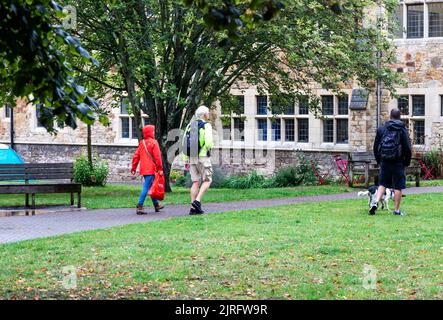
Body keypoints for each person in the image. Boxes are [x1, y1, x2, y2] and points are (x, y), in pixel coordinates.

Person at [371, 108, 412, 216]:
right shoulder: (402, 129)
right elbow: (407, 147)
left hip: (384, 160)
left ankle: (375, 203)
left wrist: (379, 160)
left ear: (390, 116)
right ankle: (397, 210)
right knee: (398, 185)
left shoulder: (382, 128)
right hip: (398, 161)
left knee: (382, 183)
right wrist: (407, 161)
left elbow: (375, 147)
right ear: (399, 117)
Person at [182, 106, 214, 215]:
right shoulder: (206, 125)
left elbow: (184, 143)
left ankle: (193, 208)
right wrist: (208, 149)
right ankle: (197, 201)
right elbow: (209, 143)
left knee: (195, 182)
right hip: (202, 157)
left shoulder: (190, 126)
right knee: (207, 180)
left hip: (191, 157)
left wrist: (185, 159)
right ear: (204, 115)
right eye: (208, 113)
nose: (209, 115)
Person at [131, 125, 164, 215]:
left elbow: (136, 156)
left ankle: (156, 205)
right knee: (146, 187)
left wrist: (133, 167)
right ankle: (139, 206)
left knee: (150, 187)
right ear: (149, 132)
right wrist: (160, 168)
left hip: (144, 169)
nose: (153, 133)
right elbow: (157, 157)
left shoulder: (142, 143)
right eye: (152, 131)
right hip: (151, 169)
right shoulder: (154, 142)